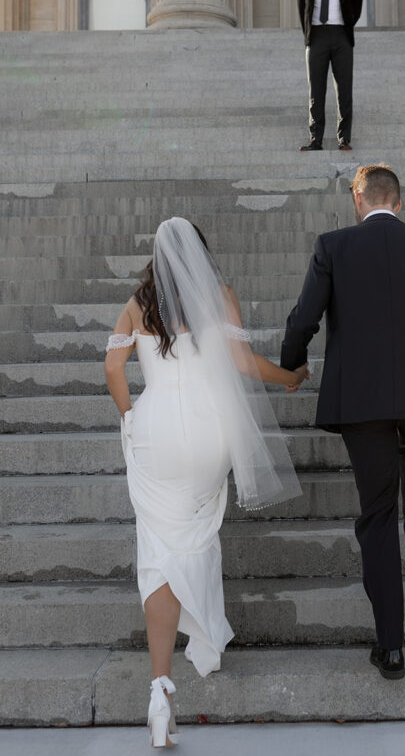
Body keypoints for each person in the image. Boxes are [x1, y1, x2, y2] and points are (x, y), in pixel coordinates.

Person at [104, 217, 306, 747]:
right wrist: (291, 377)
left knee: (159, 552)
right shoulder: (219, 295)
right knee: (195, 535)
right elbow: (243, 363)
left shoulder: (137, 303)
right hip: (211, 433)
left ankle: (159, 691)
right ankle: (204, 638)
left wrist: (129, 416)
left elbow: (112, 368)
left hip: (157, 435)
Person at [280, 165, 405, 681]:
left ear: (358, 199)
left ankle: (390, 646)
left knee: (375, 512)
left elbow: (305, 315)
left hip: (361, 399)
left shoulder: (333, 246)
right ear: (399, 201)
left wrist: (291, 365)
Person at [298, 0, 363, 152]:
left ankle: (344, 139)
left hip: (341, 36)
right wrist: (309, 34)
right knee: (316, 91)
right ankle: (315, 139)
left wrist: (345, 25)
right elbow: (302, 9)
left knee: (344, 89)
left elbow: (357, 5)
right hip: (317, 36)